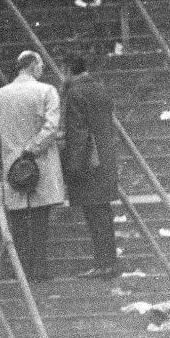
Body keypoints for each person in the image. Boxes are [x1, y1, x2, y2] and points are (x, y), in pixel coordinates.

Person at [0, 50, 65, 281]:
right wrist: (33, 148)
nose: (42, 70)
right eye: (40, 65)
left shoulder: (0, 95)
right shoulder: (47, 91)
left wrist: (3, 160)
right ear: (33, 66)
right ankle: (40, 270)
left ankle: (23, 270)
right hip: (39, 163)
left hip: (13, 166)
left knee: (20, 222)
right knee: (41, 220)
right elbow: (51, 127)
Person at [61, 52, 119, 278]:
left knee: (94, 216)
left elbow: (78, 134)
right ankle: (108, 262)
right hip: (105, 159)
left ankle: (103, 264)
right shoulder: (99, 87)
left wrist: (72, 169)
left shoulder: (75, 93)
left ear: (68, 70)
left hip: (87, 164)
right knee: (103, 213)